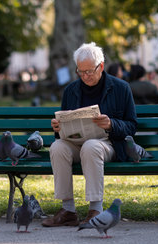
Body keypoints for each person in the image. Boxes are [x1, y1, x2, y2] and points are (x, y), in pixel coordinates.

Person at [42, 42, 137, 227]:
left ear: (101, 66)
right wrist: (58, 128)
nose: (85, 76)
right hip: (77, 144)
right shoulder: (71, 90)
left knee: (91, 146)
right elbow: (62, 132)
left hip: (108, 145)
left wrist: (111, 124)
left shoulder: (121, 88)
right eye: (81, 71)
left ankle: (96, 209)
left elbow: (131, 126)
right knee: (57, 147)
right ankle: (68, 210)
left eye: (89, 71)